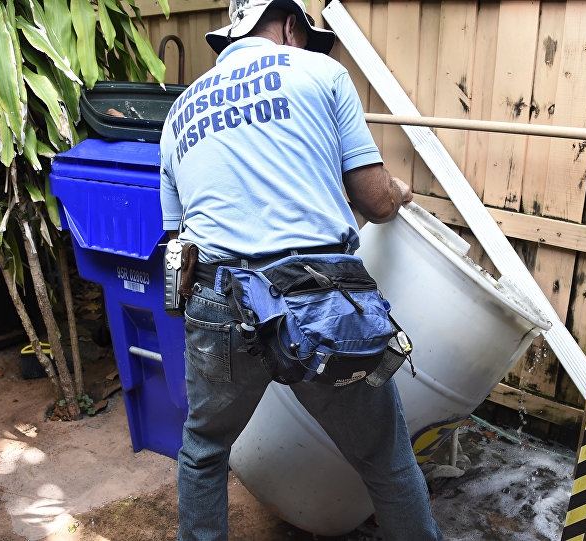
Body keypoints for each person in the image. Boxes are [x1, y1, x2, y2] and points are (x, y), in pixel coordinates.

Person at [158, 0, 444, 539]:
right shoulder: (322, 71)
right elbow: (376, 202)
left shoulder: (180, 112)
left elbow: (179, 242)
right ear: (291, 25)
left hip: (218, 298)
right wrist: (399, 191)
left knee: (203, 450)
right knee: (386, 459)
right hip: (318, 299)